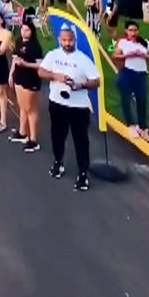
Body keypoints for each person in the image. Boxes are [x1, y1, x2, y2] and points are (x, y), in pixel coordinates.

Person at [37, 24, 101, 189]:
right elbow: (41, 72)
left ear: (75, 40)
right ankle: (58, 162)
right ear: (59, 40)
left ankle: (83, 174)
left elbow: (97, 81)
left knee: (80, 140)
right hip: (57, 103)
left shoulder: (83, 59)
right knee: (57, 136)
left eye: (70, 40)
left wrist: (81, 85)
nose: (67, 43)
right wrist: (55, 76)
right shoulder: (53, 55)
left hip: (78, 107)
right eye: (64, 40)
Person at [8, 19, 44, 151]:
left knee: (30, 109)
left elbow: (40, 64)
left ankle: (33, 139)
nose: (24, 32)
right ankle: (22, 132)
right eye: (22, 29)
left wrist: (26, 64)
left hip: (30, 80)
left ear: (32, 31)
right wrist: (11, 73)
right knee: (22, 107)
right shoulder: (18, 42)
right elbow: (14, 59)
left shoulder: (35, 47)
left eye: (27, 30)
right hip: (19, 77)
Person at [113, 20, 149, 140]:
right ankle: (130, 124)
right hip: (128, 72)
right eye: (130, 30)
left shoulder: (144, 42)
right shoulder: (123, 42)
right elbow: (115, 55)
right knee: (126, 98)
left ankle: (142, 127)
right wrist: (128, 55)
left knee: (142, 100)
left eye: (135, 30)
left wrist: (143, 55)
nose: (133, 33)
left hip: (141, 74)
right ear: (126, 31)